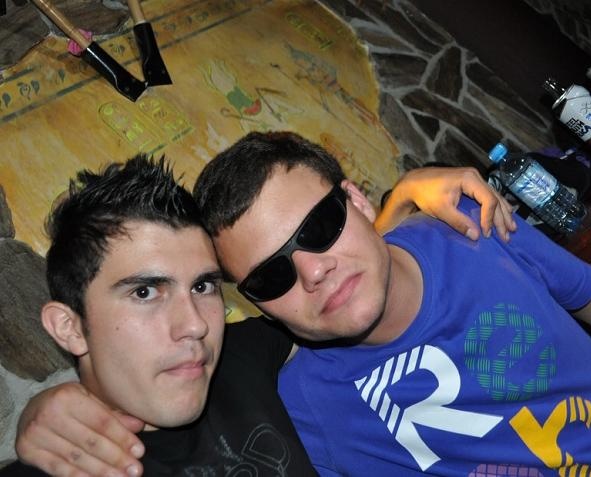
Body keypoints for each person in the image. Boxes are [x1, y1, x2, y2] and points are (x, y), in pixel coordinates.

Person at [15, 131, 591, 475]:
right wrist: (41, 408)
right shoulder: (289, 387)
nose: (313, 273)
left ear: (357, 200)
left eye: (319, 226)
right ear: (259, 305)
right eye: (270, 278)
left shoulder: (470, 230)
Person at [7, 152, 516, 476]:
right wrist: (37, 408)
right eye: (145, 292)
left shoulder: (238, 357)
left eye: (203, 286)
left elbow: (329, 289)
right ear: (69, 327)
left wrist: (403, 196)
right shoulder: (60, 462)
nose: (195, 324)